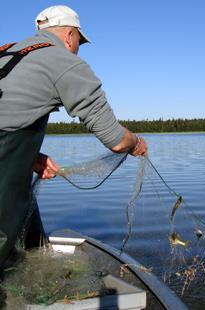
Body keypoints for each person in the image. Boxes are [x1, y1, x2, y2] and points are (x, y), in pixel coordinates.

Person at [0, 5, 147, 271]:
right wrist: (136, 143)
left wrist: (29, 157)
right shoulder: (64, 62)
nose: (79, 47)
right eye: (80, 40)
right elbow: (115, 139)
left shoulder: (8, 52)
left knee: (24, 236)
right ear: (69, 35)